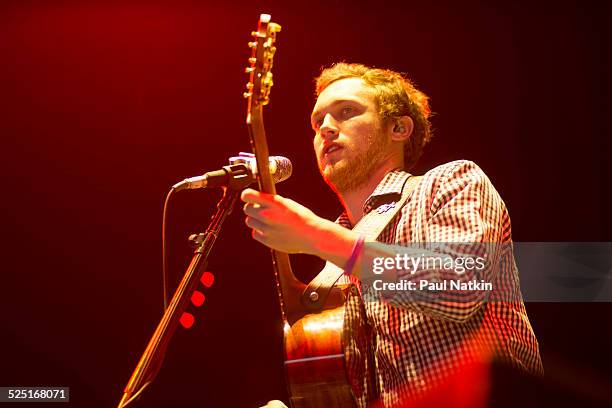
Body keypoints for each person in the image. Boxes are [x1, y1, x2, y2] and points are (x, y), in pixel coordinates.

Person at [241, 63, 543, 407]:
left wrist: (315, 235)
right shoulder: (334, 267)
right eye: (316, 121)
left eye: (346, 112)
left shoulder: (450, 182)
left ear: (398, 127)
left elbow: (459, 287)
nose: (325, 127)